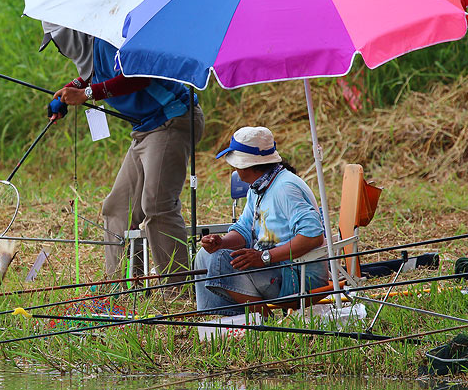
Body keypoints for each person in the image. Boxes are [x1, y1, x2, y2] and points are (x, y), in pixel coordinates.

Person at [41, 22, 204, 279]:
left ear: (70, 34)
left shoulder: (108, 41)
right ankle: (121, 287)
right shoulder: (94, 50)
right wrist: (71, 90)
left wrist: (87, 93)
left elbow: (139, 76)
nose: (61, 49)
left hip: (171, 119)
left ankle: (177, 289)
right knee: (118, 207)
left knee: (157, 205)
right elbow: (96, 74)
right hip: (145, 129)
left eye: (58, 41)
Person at [194, 126, 328, 316]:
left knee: (220, 260)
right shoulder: (257, 188)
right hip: (277, 267)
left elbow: (312, 236)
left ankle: (262, 321)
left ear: (248, 165)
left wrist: (265, 257)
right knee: (205, 255)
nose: (233, 167)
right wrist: (221, 242)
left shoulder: (285, 188)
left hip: (299, 273)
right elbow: (243, 229)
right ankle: (223, 320)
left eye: (236, 163)